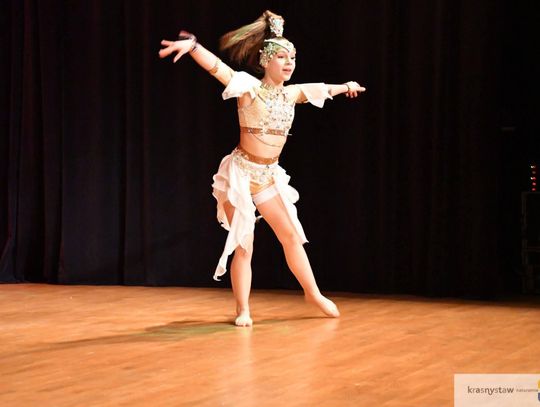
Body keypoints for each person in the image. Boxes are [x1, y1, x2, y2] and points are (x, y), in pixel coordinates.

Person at [159, 10, 366, 327]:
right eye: (282, 57)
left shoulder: (291, 94)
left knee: (291, 235)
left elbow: (321, 88)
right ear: (266, 61)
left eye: (292, 58)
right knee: (245, 244)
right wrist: (194, 47)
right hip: (240, 175)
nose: (289, 63)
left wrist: (346, 85)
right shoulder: (249, 89)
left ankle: (313, 293)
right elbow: (219, 69)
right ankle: (242, 308)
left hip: (268, 176)